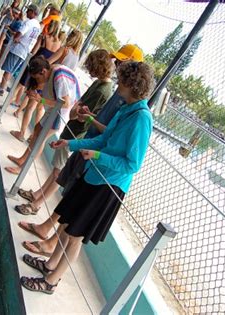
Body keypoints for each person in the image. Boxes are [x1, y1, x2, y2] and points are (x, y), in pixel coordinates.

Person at [19, 61, 155, 294]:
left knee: (75, 237)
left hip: (107, 185)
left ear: (132, 84)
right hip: (94, 176)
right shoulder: (125, 109)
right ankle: (50, 264)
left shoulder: (141, 118)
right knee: (67, 223)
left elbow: (132, 164)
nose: (118, 82)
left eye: (122, 79)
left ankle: (51, 281)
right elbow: (103, 140)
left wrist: (98, 156)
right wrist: (71, 143)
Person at [13, 49, 114, 216]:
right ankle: (36, 195)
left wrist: (76, 112)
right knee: (56, 168)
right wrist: (76, 111)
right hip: (72, 128)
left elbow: (80, 111)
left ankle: (36, 205)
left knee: (59, 171)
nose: (88, 68)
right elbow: (78, 104)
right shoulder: (99, 84)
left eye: (91, 65)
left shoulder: (104, 90)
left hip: (77, 133)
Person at [4, 56, 80, 175]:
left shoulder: (58, 77)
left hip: (61, 114)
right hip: (54, 109)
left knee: (40, 138)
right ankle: (22, 159)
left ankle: (22, 169)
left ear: (43, 71)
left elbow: (66, 103)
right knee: (37, 129)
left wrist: (41, 100)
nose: (37, 81)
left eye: (37, 78)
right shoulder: (51, 71)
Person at [10, 30, 84, 142]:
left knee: (30, 106)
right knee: (41, 109)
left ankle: (22, 133)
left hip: (47, 82)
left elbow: (48, 63)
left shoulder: (65, 49)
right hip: (57, 91)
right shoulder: (76, 56)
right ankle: (33, 136)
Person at [0, 4, 41, 96]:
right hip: (25, 52)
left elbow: (19, 35)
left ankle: (1, 89)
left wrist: (16, 38)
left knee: (8, 69)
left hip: (18, 49)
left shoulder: (28, 22)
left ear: (33, 12)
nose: (26, 12)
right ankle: (3, 85)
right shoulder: (38, 26)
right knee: (12, 70)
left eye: (28, 10)